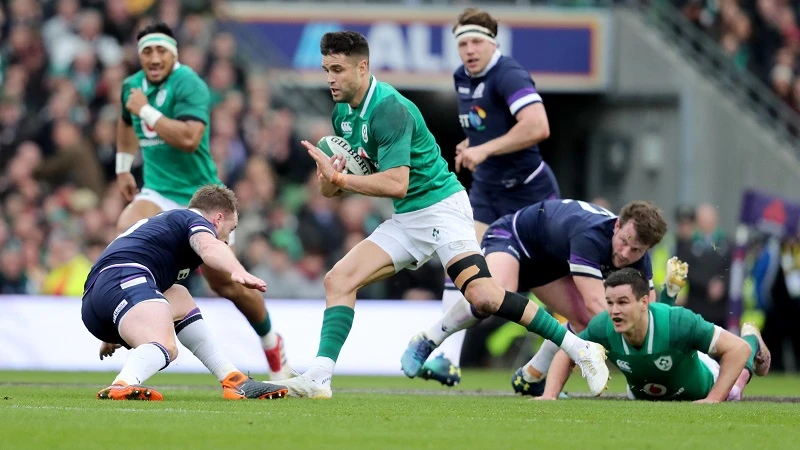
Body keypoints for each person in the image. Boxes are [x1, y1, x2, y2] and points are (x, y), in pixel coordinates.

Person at [274, 31, 608, 399]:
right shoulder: (342, 116)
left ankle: (580, 348)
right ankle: (320, 377)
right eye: (326, 70)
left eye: (337, 69)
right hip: (408, 218)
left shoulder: (390, 108)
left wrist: (342, 178)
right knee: (338, 279)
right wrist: (328, 179)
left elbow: (398, 183)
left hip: (442, 208)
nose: (330, 79)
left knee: (484, 297)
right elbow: (334, 190)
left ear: (362, 67)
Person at [114, 22, 289, 378]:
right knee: (127, 232)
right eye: (147, 51)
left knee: (226, 283)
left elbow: (191, 138)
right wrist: (122, 167)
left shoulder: (189, 83)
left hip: (200, 198)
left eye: (161, 50)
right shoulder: (131, 87)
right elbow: (124, 122)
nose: (154, 57)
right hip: (158, 191)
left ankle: (272, 342)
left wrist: (146, 110)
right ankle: (135, 321)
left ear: (173, 54)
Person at [403, 199, 674, 395]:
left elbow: (651, 315)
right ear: (616, 226)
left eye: (636, 250)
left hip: (549, 265)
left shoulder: (641, 260)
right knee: (489, 300)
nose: (626, 254)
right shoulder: (590, 236)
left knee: (581, 321)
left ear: (647, 249)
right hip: (514, 237)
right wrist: (636, 367)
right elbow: (596, 306)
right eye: (624, 241)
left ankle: (533, 376)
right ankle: (429, 338)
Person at [429, 7, 559, 386]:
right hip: (487, 191)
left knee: (550, 286)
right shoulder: (461, 78)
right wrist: (475, 143)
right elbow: (491, 123)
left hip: (530, 192)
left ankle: (542, 370)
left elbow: (538, 126)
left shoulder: (509, 73)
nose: (469, 50)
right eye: (462, 43)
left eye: (475, 42)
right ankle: (444, 358)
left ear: (493, 43)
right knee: (460, 262)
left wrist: (484, 150)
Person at [82, 185, 288, 401]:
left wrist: (119, 323)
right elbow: (209, 248)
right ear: (217, 219)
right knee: (166, 347)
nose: (227, 239)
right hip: (123, 281)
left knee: (180, 296)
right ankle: (122, 384)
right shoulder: (195, 221)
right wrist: (237, 270)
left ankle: (232, 379)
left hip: (105, 296)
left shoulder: (169, 224)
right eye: (231, 228)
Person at [538, 268, 771, 402]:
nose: (614, 310)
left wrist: (712, 400)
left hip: (701, 384)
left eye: (622, 302)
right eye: (609, 302)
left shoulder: (679, 322)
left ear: (644, 302)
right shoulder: (603, 326)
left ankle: (751, 334)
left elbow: (737, 350)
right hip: (641, 394)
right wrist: (549, 395)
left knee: (734, 390)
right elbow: (567, 352)